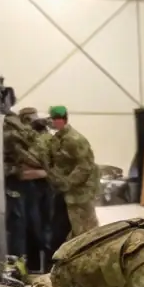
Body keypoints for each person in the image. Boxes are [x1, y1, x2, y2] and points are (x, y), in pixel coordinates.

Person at [44, 105, 99, 250]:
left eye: (53, 119)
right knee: (63, 229)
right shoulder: (56, 139)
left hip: (79, 194)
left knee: (85, 232)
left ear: (61, 120)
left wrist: (66, 183)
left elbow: (85, 165)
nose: (50, 122)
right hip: (63, 193)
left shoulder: (75, 139)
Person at [0, 84, 44, 264]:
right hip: (14, 182)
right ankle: (21, 265)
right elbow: (26, 157)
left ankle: (31, 264)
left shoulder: (14, 124)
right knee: (19, 226)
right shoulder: (8, 125)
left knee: (32, 226)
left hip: (28, 185)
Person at [16, 106, 53, 272]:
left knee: (45, 231)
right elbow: (21, 171)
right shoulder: (21, 138)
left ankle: (46, 268)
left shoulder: (46, 136)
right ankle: (33, 268)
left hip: (46, 188)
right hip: (29, 190)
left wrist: (44, 172)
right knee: (32, 230)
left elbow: (55, 164)